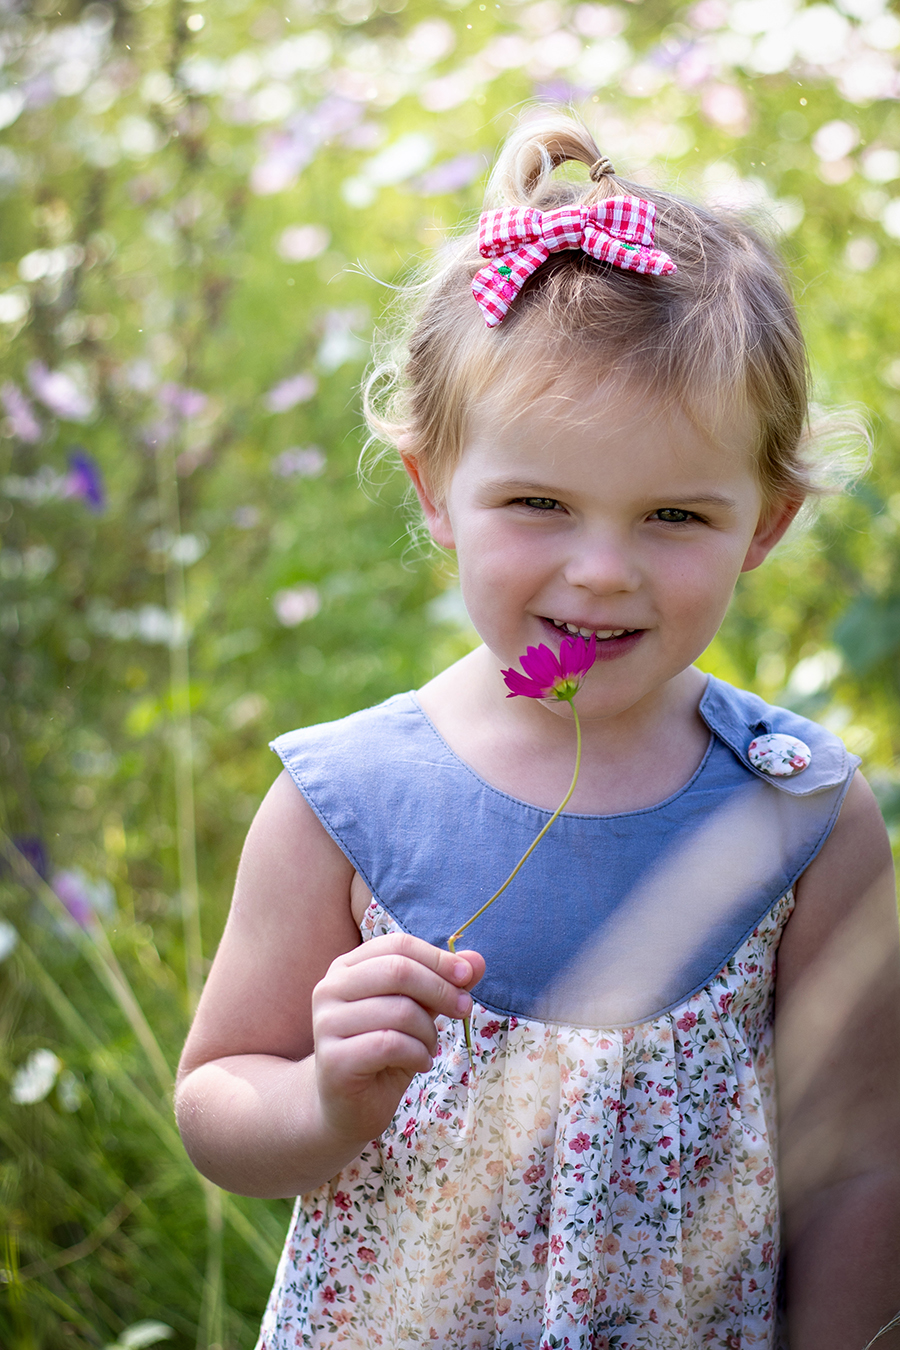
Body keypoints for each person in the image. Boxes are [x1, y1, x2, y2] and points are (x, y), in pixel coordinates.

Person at [175, 113, 900, 1350]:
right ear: (435, 492)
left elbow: (858, 1163)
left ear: (765, 527)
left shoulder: (801, 812)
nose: (603, 572)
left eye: (675, 512)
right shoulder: (345, 798)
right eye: (539, 504)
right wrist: (325, 1099)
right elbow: (217, 1101)